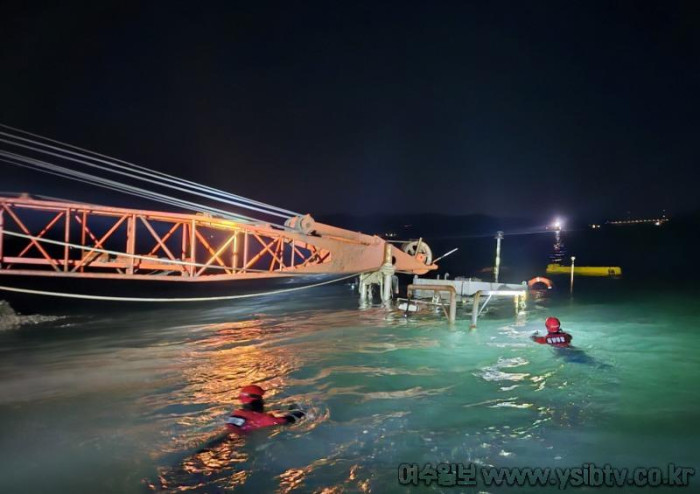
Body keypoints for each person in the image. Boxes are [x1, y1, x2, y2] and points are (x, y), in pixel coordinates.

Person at [225, 385, 305, 433]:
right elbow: (293, 417)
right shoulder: (263, 419)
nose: (263, 402)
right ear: (256, 401)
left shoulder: (236, 413)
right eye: (261, 399)